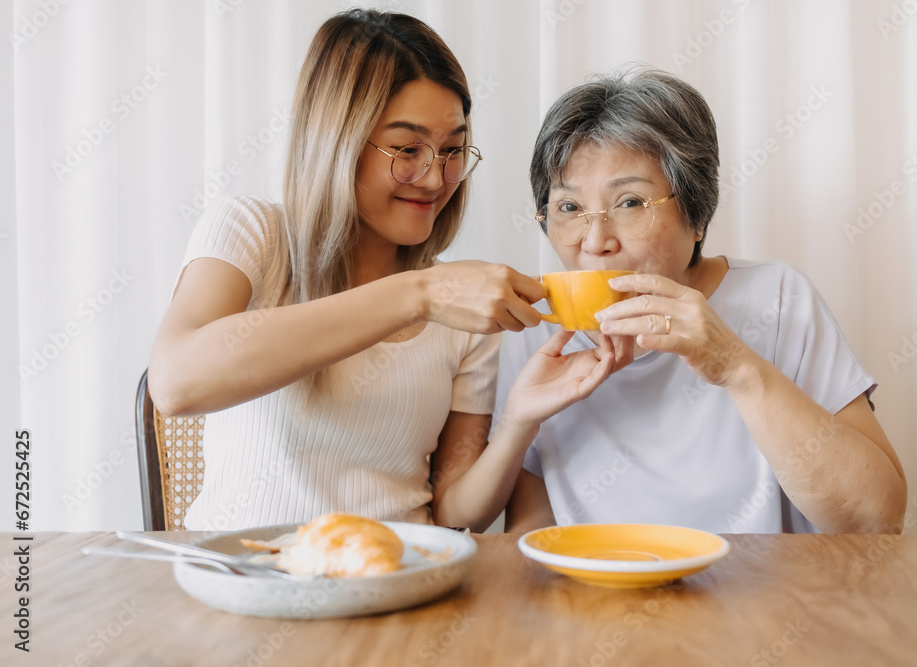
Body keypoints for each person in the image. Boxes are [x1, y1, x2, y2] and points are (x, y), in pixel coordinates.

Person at [148, 9, 616, 533]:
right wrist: (420, 292)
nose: (436, 177)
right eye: (407, 148)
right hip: (247, 586)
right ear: (337, 139)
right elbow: (176, 382)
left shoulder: (462, 309)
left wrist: (521, 420)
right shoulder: (253, 232)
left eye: (453, 150)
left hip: (399, 586)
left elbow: (456, 511)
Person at [499, 69, 907, 535]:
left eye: (630, 202)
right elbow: (528, 534)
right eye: (569, 208)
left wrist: (736, 366)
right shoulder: (533, 328)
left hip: (766, 603)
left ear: (696, 214)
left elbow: (878, 518)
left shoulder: (777, 299)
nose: (595, 242)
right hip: (595, 600)